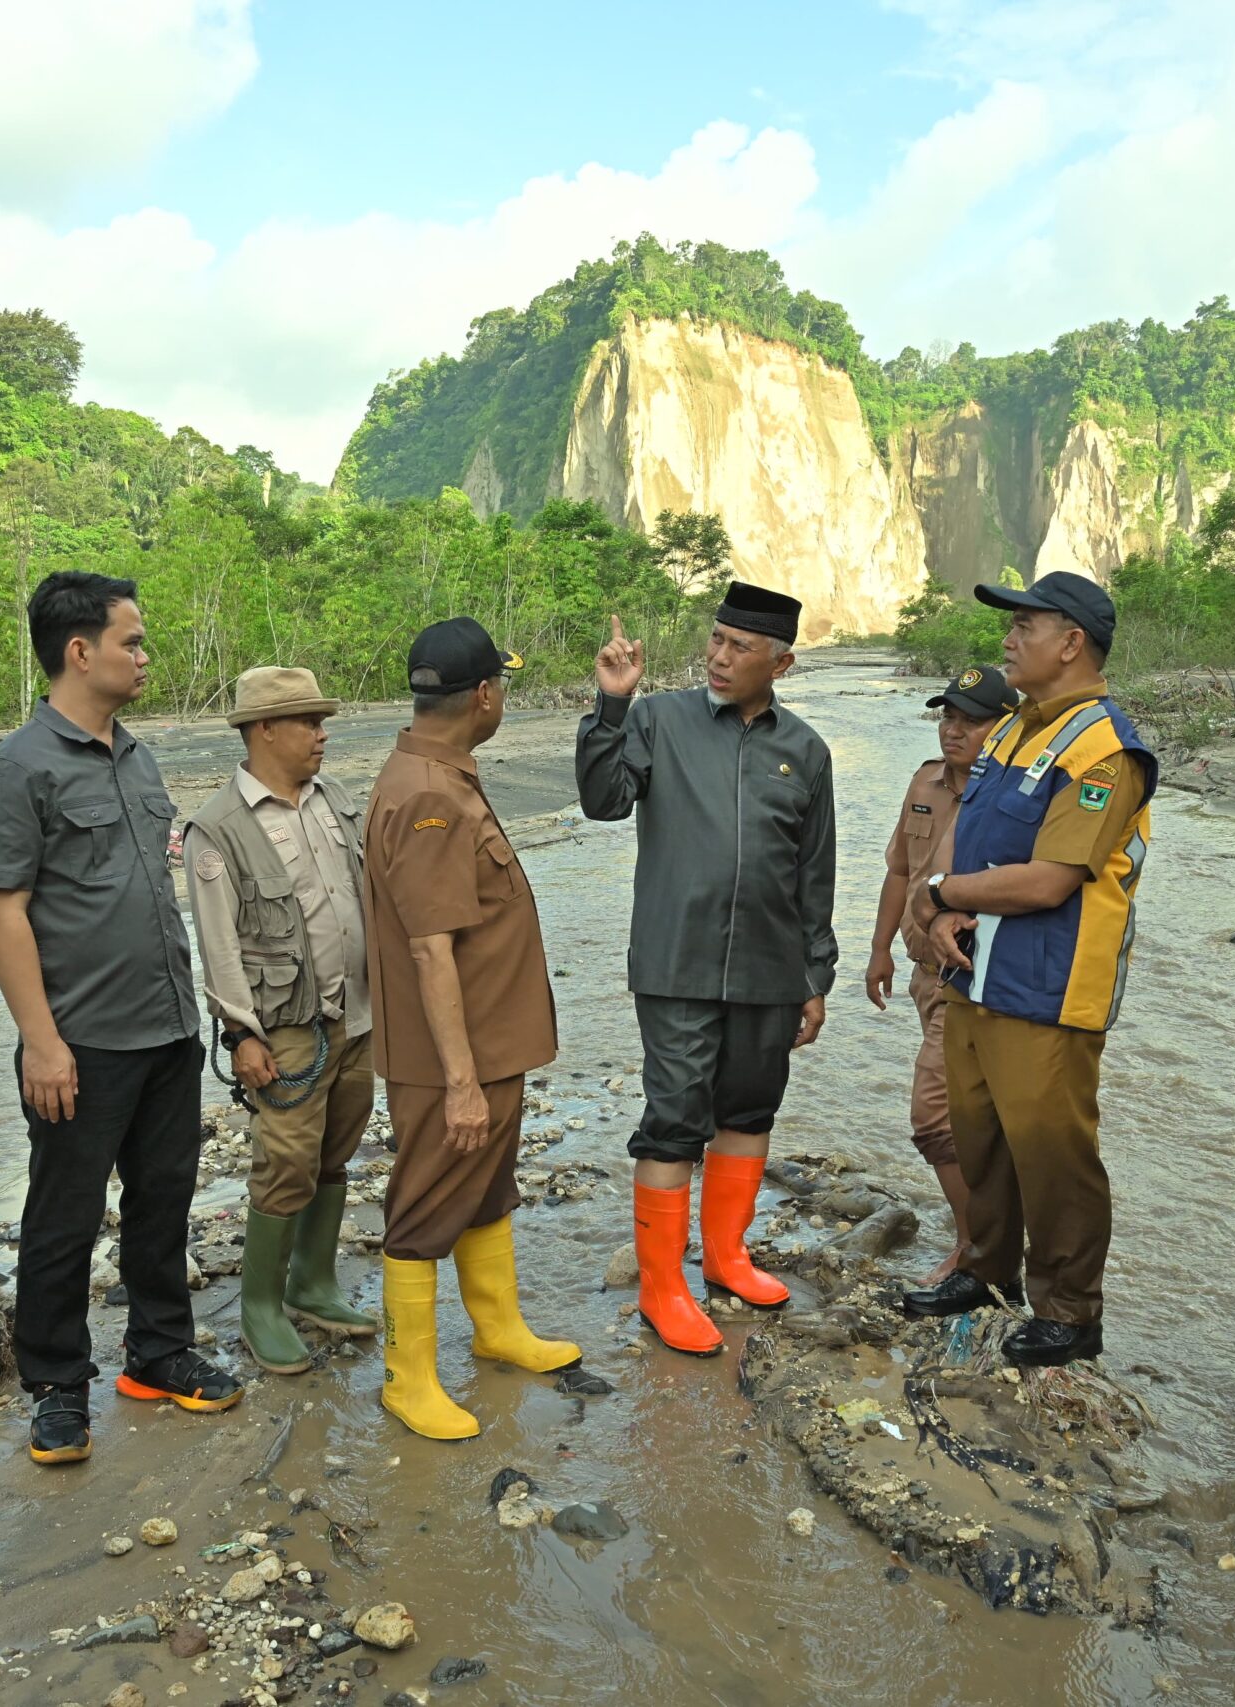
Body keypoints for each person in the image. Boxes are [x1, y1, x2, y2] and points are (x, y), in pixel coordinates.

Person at [0, 571, 237, 1468]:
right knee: (63, 1217)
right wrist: (42, 1042)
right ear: (79, 651)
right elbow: (4, 909)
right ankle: (56, 1389)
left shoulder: (138, 756)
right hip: (81, 1041)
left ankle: (158, 1355)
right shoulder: (16, 769)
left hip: (165, 1028)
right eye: (133, 640)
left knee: (164, 1203)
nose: (145, 655)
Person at [900, 571, 1155, 1368]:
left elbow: (1050, 880)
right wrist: (938, 912)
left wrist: (939, 891)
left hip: (1048, 986)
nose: (1008, 639)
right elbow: (961, 831)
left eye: (1025, 626)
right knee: (981, 1139)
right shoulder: (1014, 730)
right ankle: (987, 1269)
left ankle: (1071, 1310)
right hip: (974, 976)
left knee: (1053, 1155)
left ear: (1071, 642)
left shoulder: (1106, 749)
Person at [579, 586, 839, 1356]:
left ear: (781, 662)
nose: (720, 657)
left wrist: (816, 975)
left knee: (750, 1109)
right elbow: (601, 801)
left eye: (740, 647)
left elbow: (813, 874)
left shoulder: (808, 752)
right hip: (676, 960)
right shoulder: (660, 720)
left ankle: (727, 1257)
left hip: (771, 967)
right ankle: (664, 1287)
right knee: (674, 1118)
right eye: (716, 639)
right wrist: (612, 704)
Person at [364, 618, 580, 1439]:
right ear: (485, 695)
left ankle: (498, 1330)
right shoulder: (427, 794)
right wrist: (459, 1080)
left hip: (491, 1042)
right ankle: (405, 1375)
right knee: (423, 1206)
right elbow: (430, 948)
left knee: (487, 1189)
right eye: (504, 684)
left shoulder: (440, 773)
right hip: (455, 1055)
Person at [182, 666, 377, 1377]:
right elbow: (219, 944)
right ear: (265, 730)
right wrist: (241, 1035)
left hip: (356, 1014)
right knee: (285, 1159)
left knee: (337, 1147)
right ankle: (261, 1306)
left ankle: (313, 1284)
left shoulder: (337, 801)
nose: (322, 734)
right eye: (308, 722)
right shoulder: (217, 829)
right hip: (285, 1028)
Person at [862, 664, 1019, 1283]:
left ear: (1005, 726)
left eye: (972, 720)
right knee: (967, 1120)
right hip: (924, 972)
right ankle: (992, 1244)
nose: (954, 730)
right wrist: (880, 950)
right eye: (948, 716)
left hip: (974, 976)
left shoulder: (1011, 794)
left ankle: (978, 1251)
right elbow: (900, 871)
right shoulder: (925, 780)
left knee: (933, 1116)